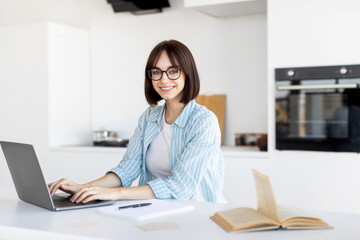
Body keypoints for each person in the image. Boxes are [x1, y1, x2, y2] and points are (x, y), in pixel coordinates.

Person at [48, 40, 225, 203]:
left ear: (188, 74)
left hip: (198, 214)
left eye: (173, 71)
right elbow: (126, 170)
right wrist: (82, 187)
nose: (163, 79)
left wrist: (115, 194)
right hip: (158, 211)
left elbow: (180, 187)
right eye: (156, 72)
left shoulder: (204, 122)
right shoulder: (149, 117)